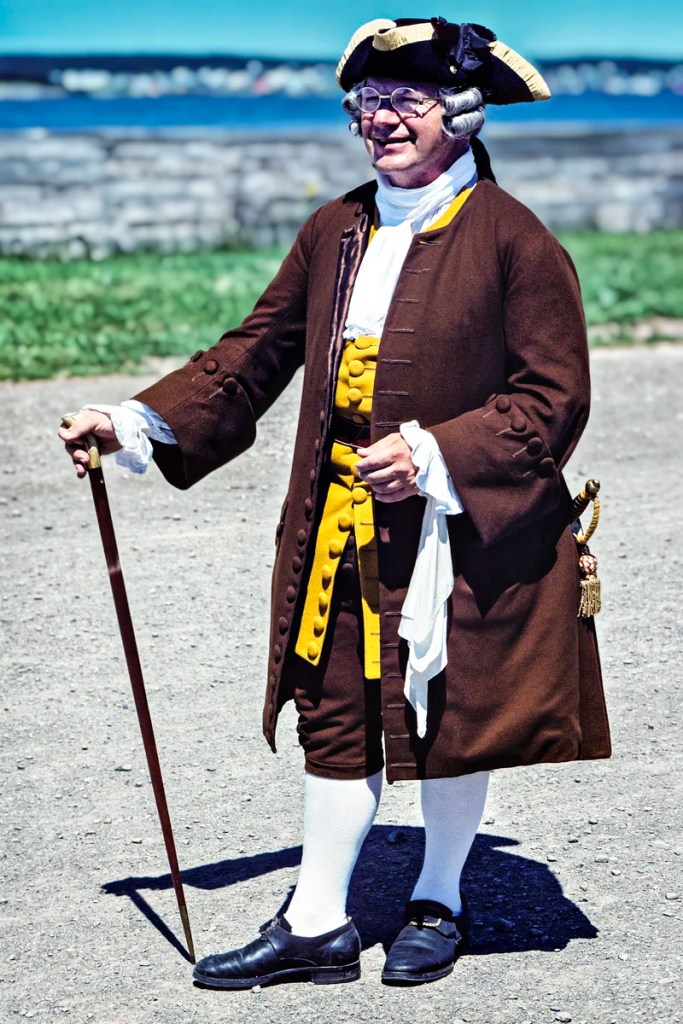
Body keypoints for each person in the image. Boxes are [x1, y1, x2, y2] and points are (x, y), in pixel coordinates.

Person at [59, 16, 611, 989]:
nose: (379, 122)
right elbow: (253, 352)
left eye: (403, 100)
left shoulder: (515, 243)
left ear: (461, 110)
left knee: (453, 702)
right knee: (334, 702)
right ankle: (316, 920)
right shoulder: (336, 227)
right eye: (366, 104)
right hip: (339, 526)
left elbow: (550, 399)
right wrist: (135, 421)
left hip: (460, 525)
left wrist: (437, 451)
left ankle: (437, 894)